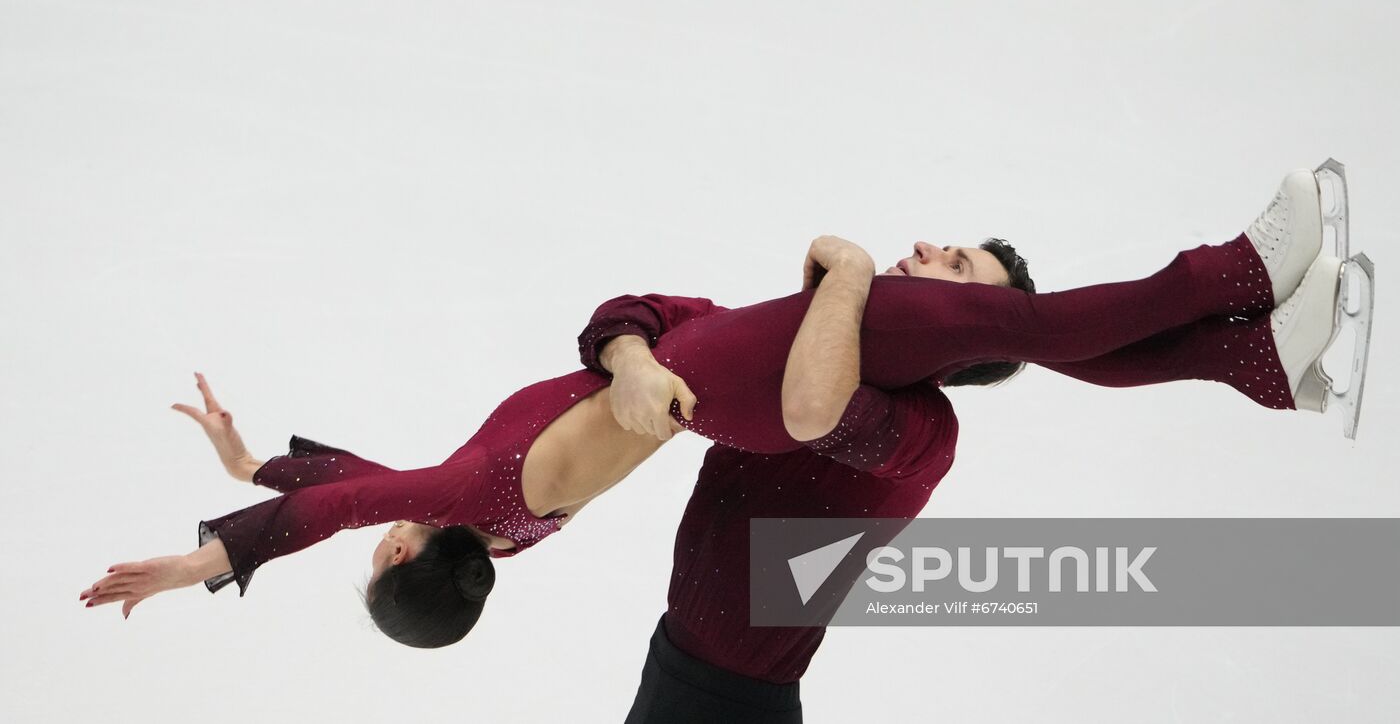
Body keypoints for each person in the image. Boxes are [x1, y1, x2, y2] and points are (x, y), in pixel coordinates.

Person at [79, 170, 1343, 657]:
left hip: (721, 370)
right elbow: (363, 498)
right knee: (1024, 326)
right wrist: (210, 558)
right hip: (749, 382)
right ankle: (1226, 277)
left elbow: (361, 476)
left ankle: (1254, 366)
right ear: (407, 550)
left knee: (1019, 336)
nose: (381, 528)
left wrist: (256, 461)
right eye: (383, 546)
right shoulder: (466, 499)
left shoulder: (504, 526)